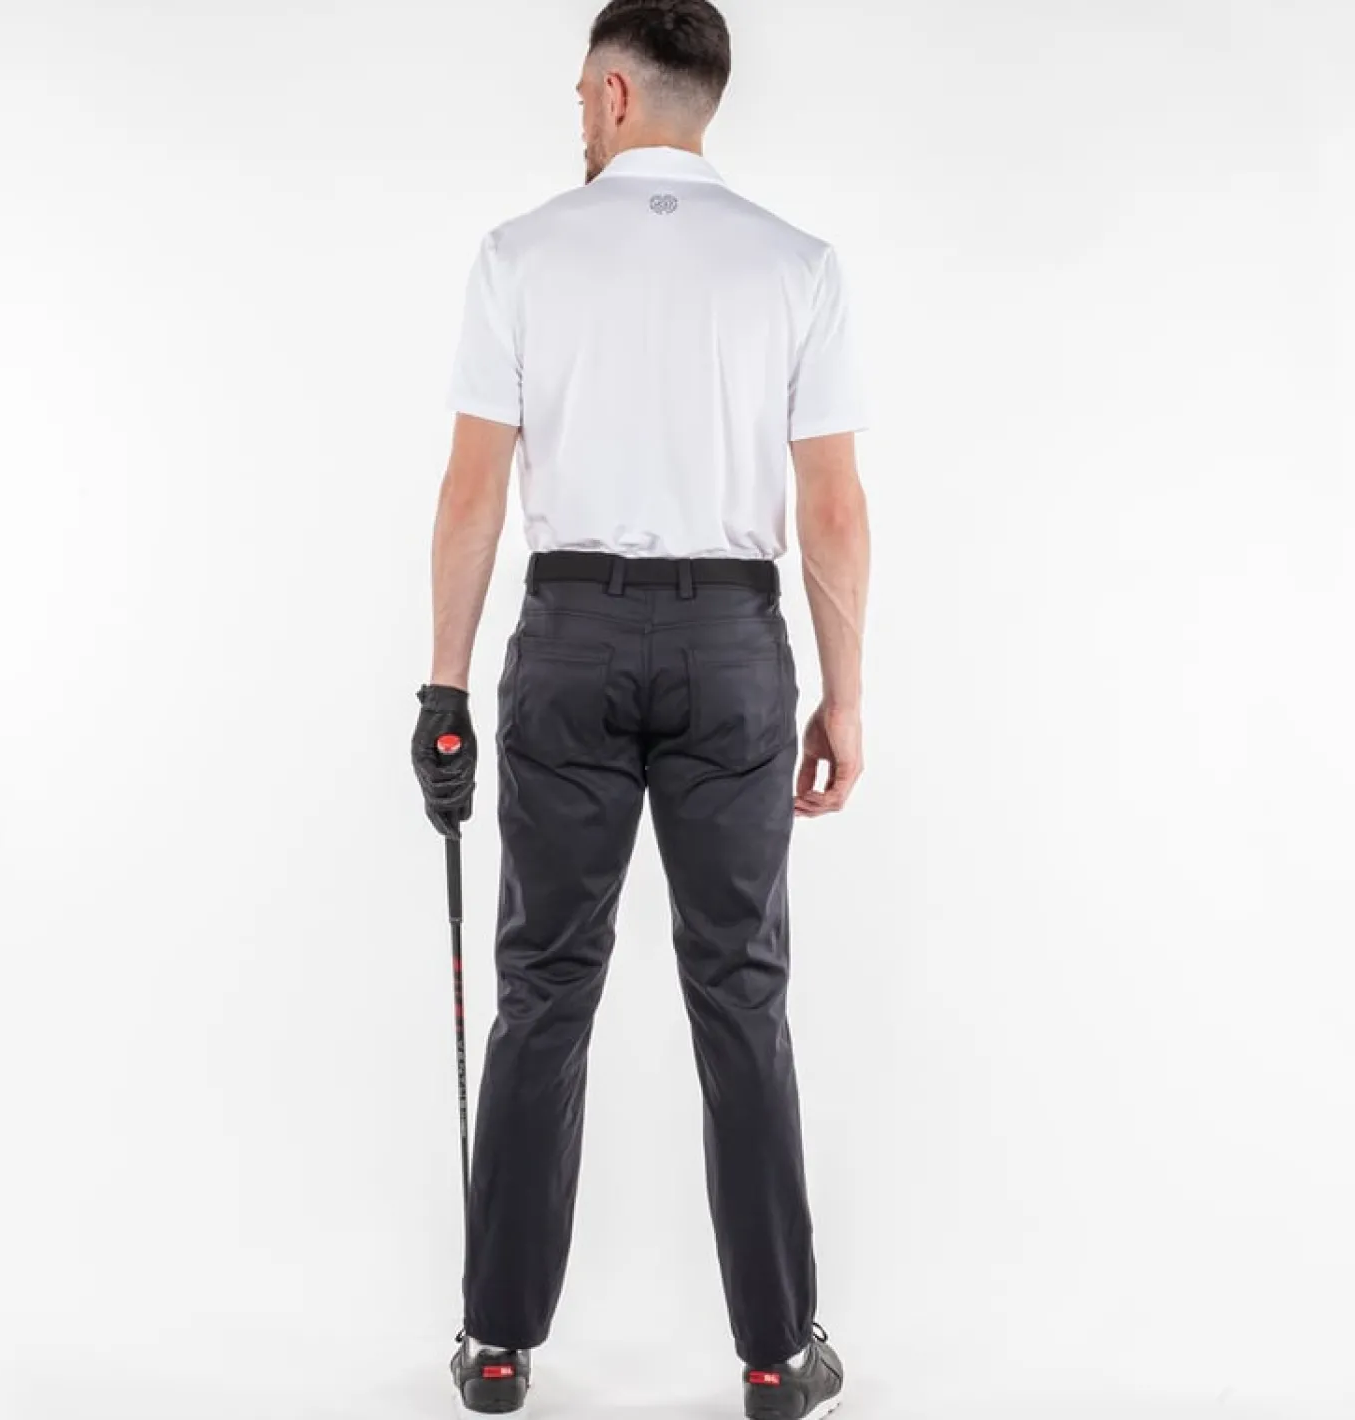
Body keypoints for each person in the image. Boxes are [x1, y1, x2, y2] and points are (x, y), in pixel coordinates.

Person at [412, 2, 869, 1415]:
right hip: (735, 647)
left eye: (578, 92)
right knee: (742, 993)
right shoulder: (795, 265)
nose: (576, 111)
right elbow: (833, 511)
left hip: (570, 637)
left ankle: (498, 1346)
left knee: (545, 988)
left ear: (614, 95)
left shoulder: (521, 255)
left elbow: (474, 494)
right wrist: (846, 698)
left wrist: (442, 688)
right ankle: (778, 1357)